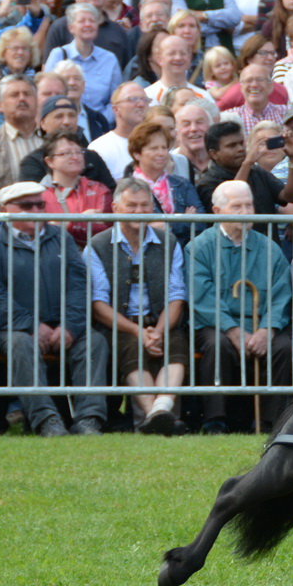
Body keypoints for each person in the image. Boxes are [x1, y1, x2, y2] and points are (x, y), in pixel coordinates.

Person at [0, 180, 109, 436]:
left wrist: (69, 326)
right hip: (10, 328)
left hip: (60, 323)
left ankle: (90, 419)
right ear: (6, 209)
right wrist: (30, 325)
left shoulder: (60, 237)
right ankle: (46, 420)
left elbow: (79, 285)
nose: (37, 211)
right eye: (27, 206)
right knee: (21, 344)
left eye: (40, 205)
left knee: (94, 342)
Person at [188, 180, 293, 433]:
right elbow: (202, 296)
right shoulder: (199, 248)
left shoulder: (269, 248)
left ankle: (271, 423)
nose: (246, 212)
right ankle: (215, 421)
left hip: (260, 323)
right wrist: (232, 330)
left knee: (283, 346)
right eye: (237, 207)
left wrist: (267, 329)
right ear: (217, 212)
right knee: (217, 344)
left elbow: (282, 295)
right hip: (217, 324)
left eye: (249, 205)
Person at [86, 177, 189, 435]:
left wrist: (158, 332)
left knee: (176, 343)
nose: (139, 211)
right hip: (119, 325)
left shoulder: (169, 242)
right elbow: (98, 303)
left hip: (159, 321)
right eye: (131, 205)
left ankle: (157, 413)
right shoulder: (97, 246)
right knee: (130, 346)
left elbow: (176, 295)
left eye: (144, 205)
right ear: (115, 208)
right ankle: (157, 416)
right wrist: (138, 332)